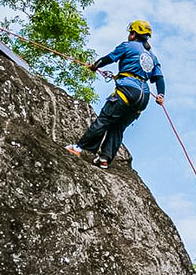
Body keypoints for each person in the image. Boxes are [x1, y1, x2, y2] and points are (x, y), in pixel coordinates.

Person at [66, 19, 165, 170]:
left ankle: (79, 148)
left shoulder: (128, 46)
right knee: (117, 127)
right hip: (143, 98)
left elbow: (109, 58)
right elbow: (159, 78)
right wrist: (161, 95)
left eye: (130, 32)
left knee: (105, 120)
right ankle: (104, 159)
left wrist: (95, 66)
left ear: (134, 34)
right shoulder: (152, 57)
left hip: (127, 90)